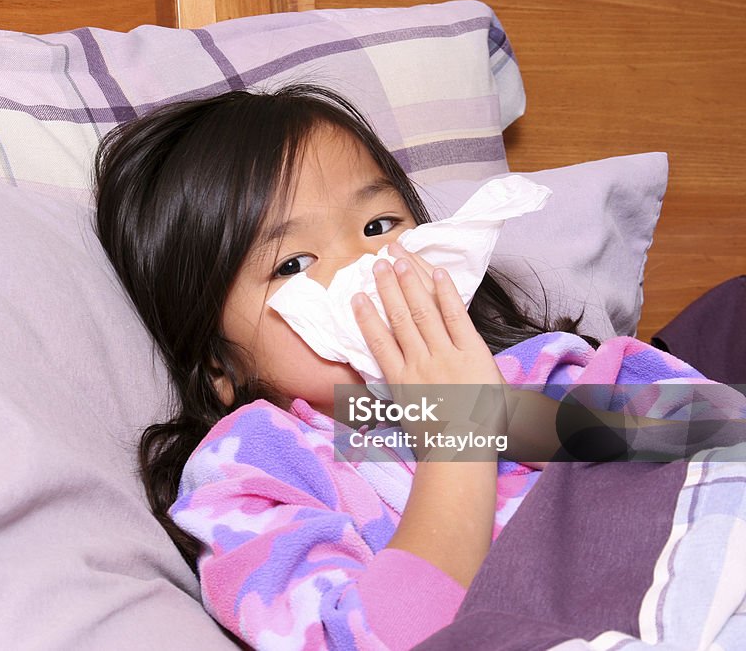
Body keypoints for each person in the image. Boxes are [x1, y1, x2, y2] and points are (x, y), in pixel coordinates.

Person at [91, 84, 685, 649]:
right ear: (221, 364)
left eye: (380, 227)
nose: (371, 268)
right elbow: (371, 638)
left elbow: (709, 433)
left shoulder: (527, 372)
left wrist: (494, 412)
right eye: (294, 263)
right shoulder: (259, 470)